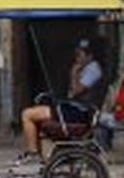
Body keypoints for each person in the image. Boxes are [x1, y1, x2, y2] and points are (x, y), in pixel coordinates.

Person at [14, 37, 104, 169]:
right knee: (37, 114)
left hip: (78, 111)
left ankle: (33, 154)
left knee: (27, 114)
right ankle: (40, 155)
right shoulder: (88, 69)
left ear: (89, 56)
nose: (77, 58)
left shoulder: (93, 69)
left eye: (80, 54)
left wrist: (73, 74)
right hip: (74, 108)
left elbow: (75, 92)